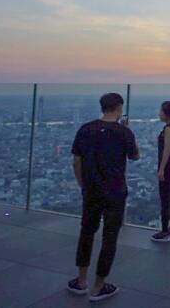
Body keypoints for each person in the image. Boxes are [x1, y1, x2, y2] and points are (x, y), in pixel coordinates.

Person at [67, 93, 139, 303]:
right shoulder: (123, 132)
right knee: (110, 237)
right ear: (118, 108)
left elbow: (76, 162)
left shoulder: (85, 129)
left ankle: (81, 281)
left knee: (87, 232)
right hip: (115, 191)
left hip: (91, 190)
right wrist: (128, 130)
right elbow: (135, 156)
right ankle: (99, 286)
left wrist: (83, 185)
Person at [151, 101, 170, 243]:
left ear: (166, 114)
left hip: (168, 169)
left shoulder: (168, 129)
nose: (159, 113)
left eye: (161, 111)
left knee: (165, 199)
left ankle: (164, 231)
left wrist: (161, 169)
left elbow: (166, 151)